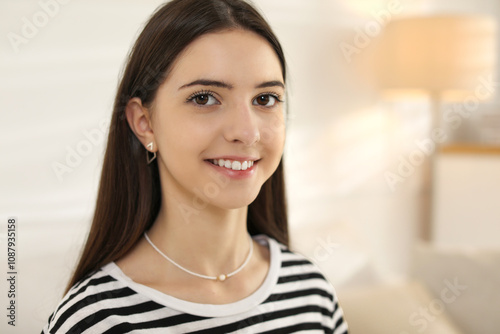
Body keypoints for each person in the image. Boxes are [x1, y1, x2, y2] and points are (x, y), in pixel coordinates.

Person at [42, 0, 348, 333]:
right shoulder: (96, 319)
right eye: (204, 98)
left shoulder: (311, 294)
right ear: (144, 123)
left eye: (265, 99)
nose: (247, 133)